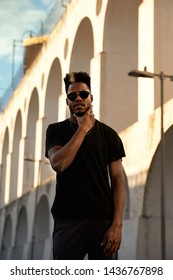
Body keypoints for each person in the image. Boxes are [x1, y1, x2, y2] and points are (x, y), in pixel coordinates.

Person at [45, 71, 126, 260]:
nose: (78, 98)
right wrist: (83, 129)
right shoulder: (56, 130)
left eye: (83, 94)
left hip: (103, 224)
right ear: (67, 102)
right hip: (68, 222)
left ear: (91, 98)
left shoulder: (109, 135)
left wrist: (117, 225)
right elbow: (59, 163)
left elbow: (118, 181)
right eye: (72, 96)